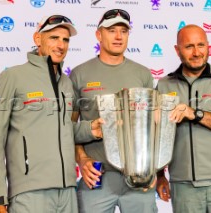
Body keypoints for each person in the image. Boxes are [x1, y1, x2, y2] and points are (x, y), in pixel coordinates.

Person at [0, 15, 102, 213]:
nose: (61, 45)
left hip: (67, 191)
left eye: (65, 40)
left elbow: (62, 129)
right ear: (38, 39)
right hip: (30, 191)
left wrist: (89, 129)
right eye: (54, 38)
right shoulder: (12, 76)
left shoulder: (65, 83)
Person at [69, 9, 158, 213]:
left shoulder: (143, 74)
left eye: (123, 31)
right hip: (97, 178)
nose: (118, 36)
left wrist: (154, 169)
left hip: (138, 179)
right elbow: (69, 127)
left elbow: (152, 127)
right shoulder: (79, 74)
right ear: (99, 35)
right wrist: (82, 159)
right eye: (111, 30)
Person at [156, 24, 211, 213]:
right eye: (189, 46)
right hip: (183, 187)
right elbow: (157, 135)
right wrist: (159, 175)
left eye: (201, 45)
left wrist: (196, 114)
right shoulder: (164, 85)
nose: (197, 52)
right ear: (177, 50)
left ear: (208, 46)